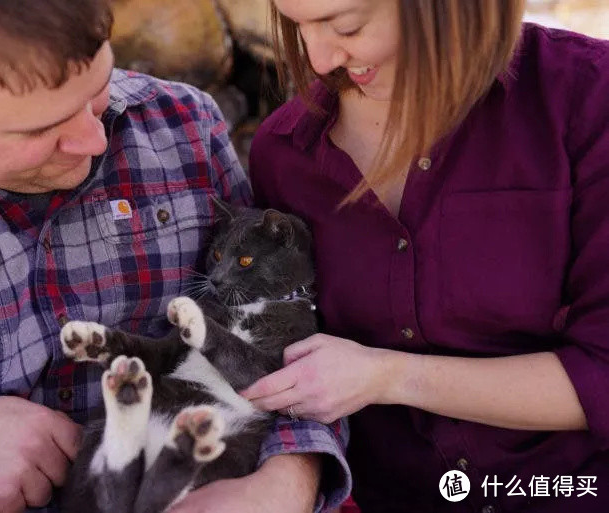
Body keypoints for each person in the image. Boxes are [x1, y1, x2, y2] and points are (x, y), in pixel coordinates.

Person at [0, 1, 353, 512]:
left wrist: (287, 481)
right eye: (40, 129)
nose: (94, 137)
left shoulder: (185, 126)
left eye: (99, 87)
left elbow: (285, 338)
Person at [242, 0, 609, 512]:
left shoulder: (589, 94)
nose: (319, 60)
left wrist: (388, 375)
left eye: (347, 26)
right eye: (297, 26)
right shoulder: (281, 154)